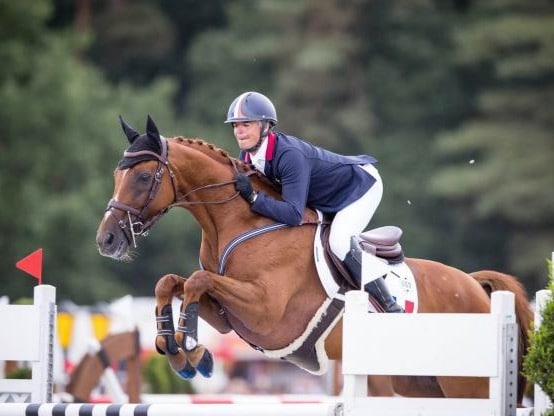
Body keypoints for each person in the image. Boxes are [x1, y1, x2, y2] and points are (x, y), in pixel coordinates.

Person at [226, 91, 403, 313]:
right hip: (324, 197)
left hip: (359, 188)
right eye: (235, 125)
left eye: (246, 124)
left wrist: (253, 198)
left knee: (339, 242)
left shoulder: (288, 155)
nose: (239, 131)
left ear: (265, 125)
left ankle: (390, 305)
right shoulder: (248, 157)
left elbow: (292, 214)